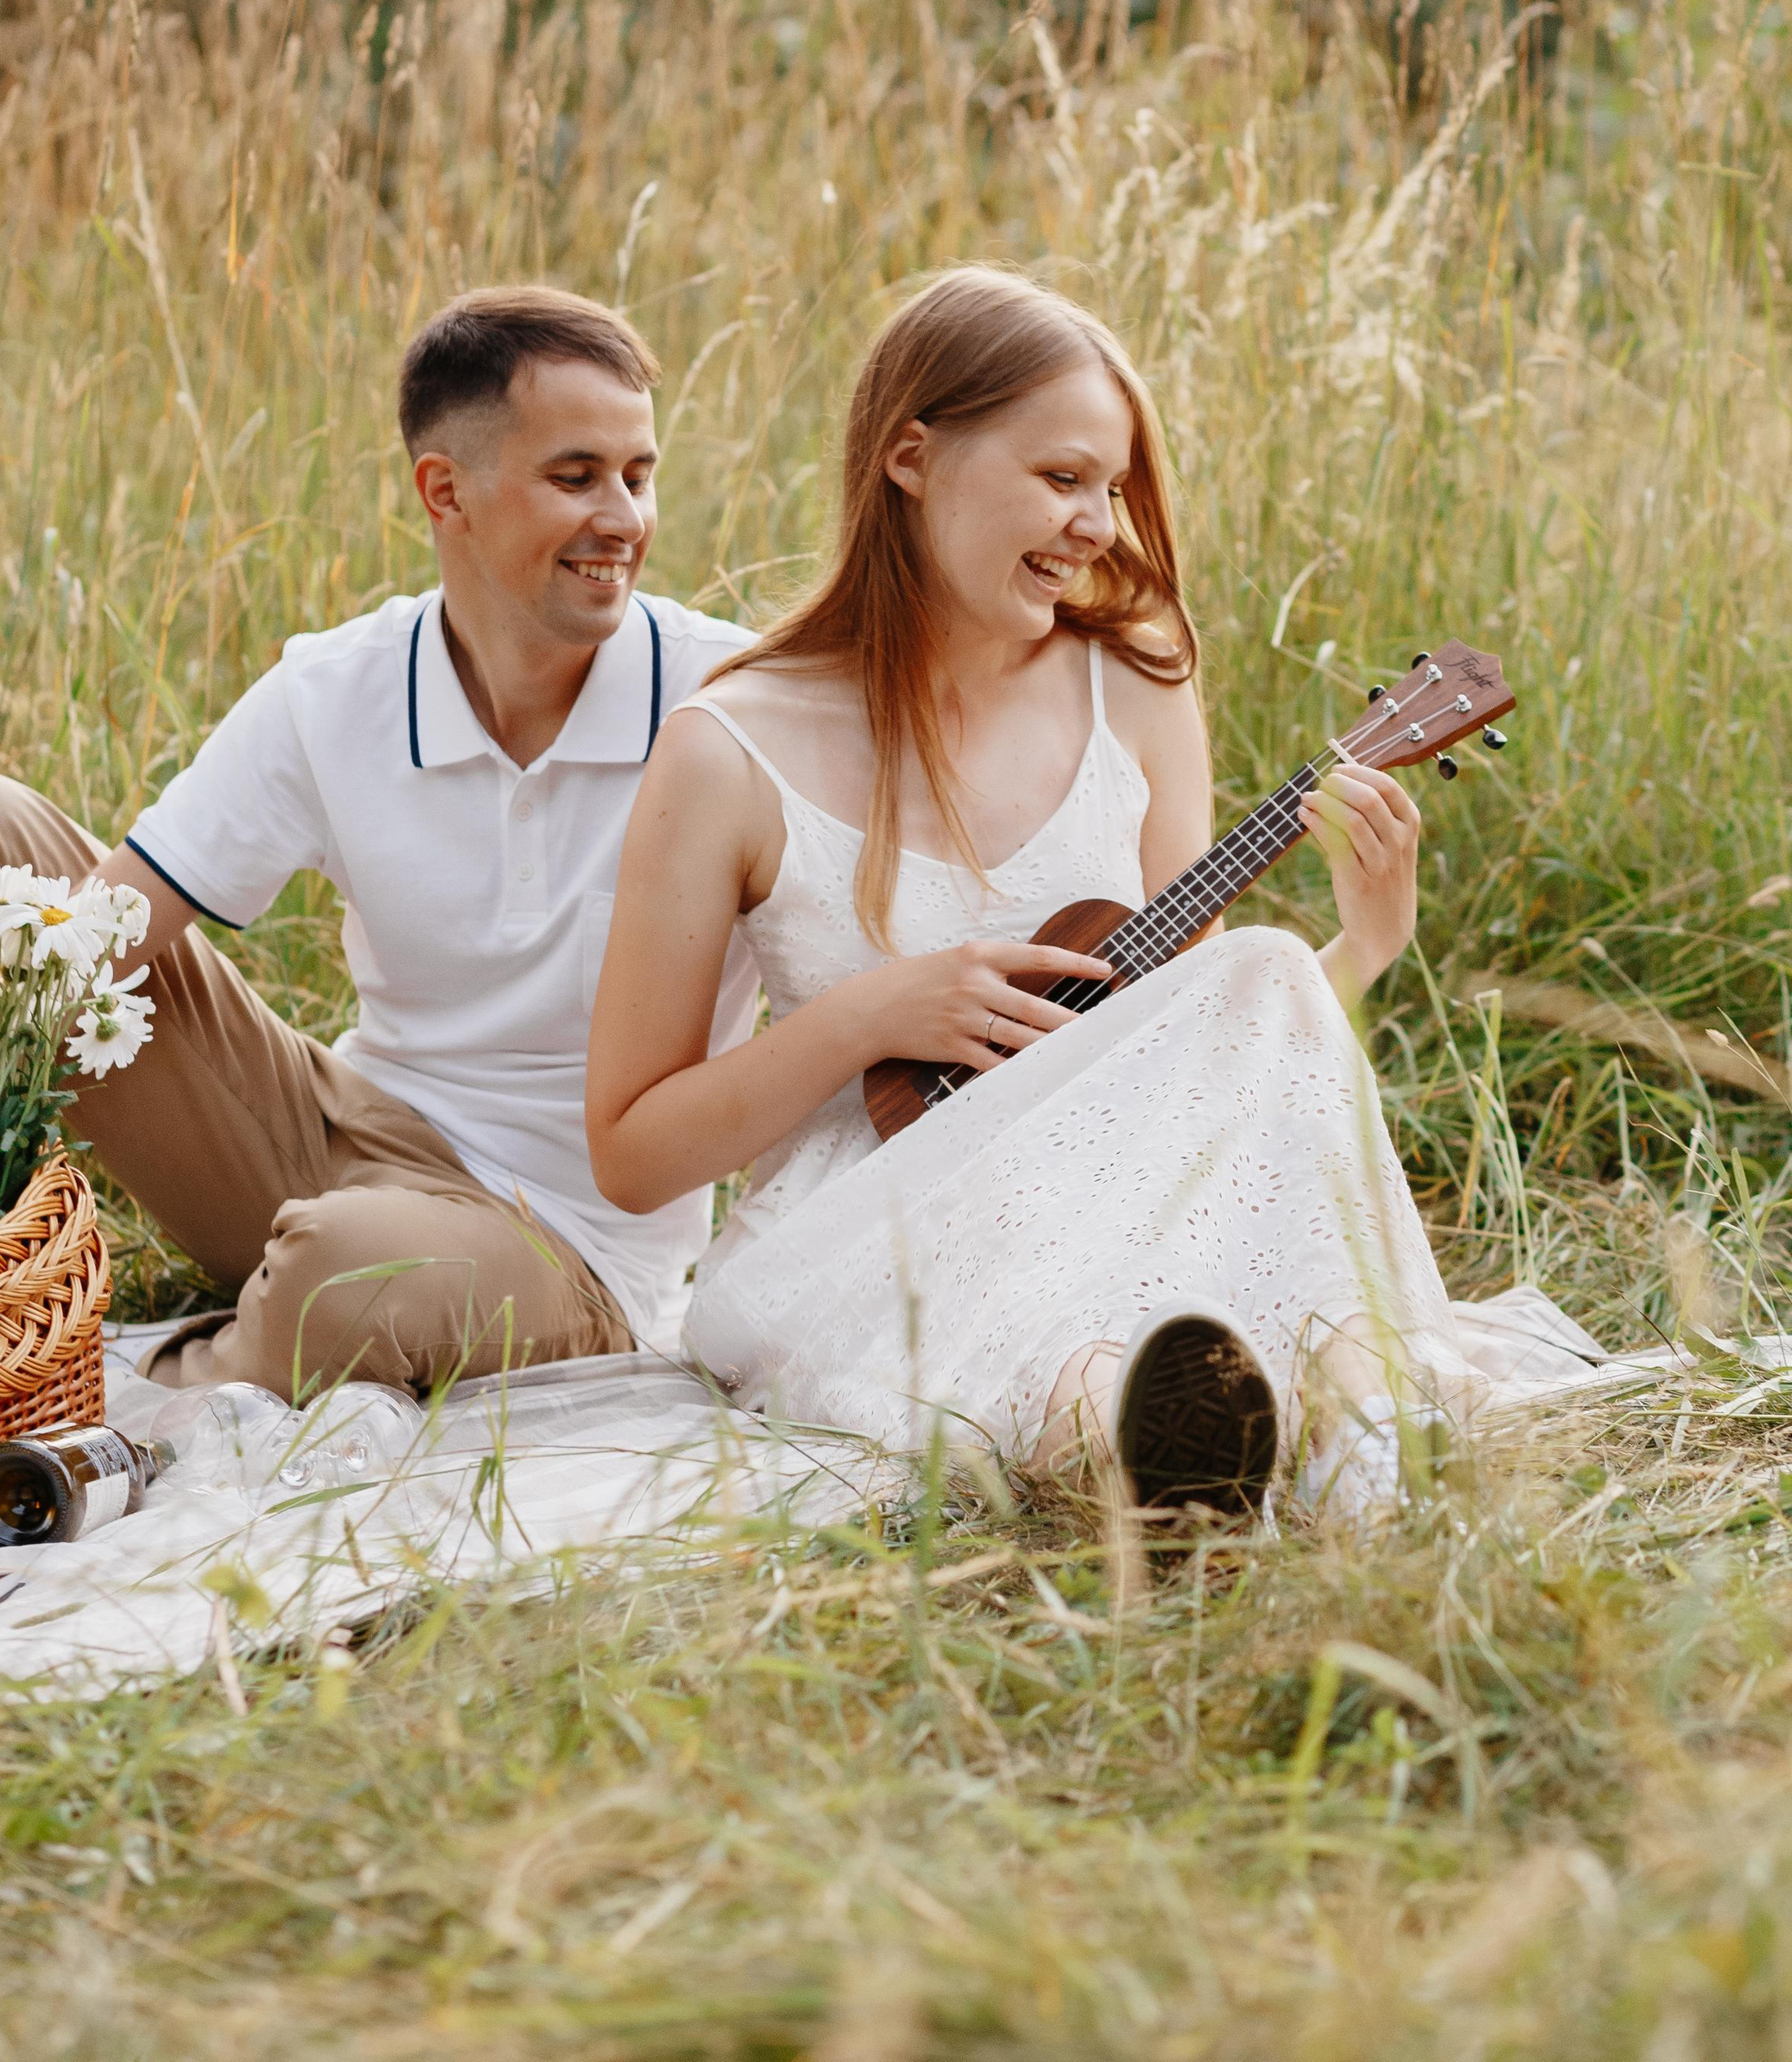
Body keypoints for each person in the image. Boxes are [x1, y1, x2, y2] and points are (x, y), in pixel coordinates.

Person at [586, 266, 1491, 1519]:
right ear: (911, 456)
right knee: (1064, 1327)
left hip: (1109, 1200)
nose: (1100, 528)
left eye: (1113, 490)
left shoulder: (1137, 688)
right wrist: (867, 1017)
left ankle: (1343, 1418)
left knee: (1265, 966)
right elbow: (632, 1155)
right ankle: (1140, 1444)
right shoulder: (725, 752)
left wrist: (1362, 946)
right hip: (861, 1232)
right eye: (1063, 478)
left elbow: (1201, 1070)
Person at [0, 288, 760, 1400]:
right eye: (577, 476)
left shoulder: (729, 700)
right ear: (446, 491)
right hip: (339, 1139)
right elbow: (104, 930)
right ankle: (263, 1315)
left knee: (343, 1274)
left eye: (639, 475)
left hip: (563, 1246)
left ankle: (160, 1403)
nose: (626, 519)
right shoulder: (336, 689)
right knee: (0, 844)